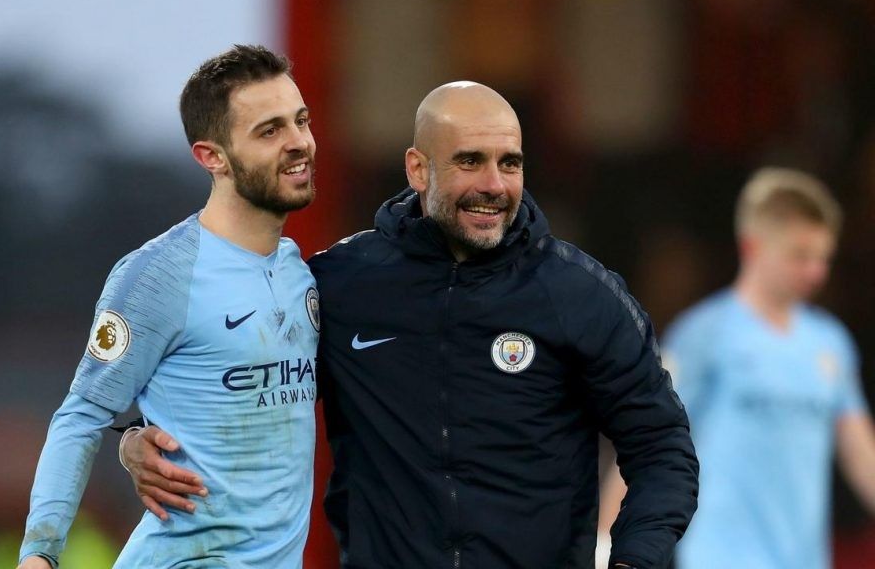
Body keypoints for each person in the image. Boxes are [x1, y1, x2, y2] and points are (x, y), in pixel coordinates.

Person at [124, 81, 699, 568]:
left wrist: (634, 558)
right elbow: (233, 375)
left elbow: (662, 445)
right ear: (418, 169)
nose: (494, 185)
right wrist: (134, 437)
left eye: (510, 163)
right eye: (470, 161)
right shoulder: (338, 285)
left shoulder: (581, 294)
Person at [17, 44, 321, 569]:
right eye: (269, 131)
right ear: (212, 157)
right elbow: (82, 414)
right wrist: (39, 554)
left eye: (301, 120)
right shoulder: (158, 275)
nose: (299, 143)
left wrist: (133, 437)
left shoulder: (300, 274)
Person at [601, 168, 875, 569]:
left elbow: (859, 451)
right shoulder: (705, 334)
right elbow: (648, 436)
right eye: (801, 256)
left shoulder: (831, 342)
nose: (816, 271)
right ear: (753, 247)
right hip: (722, 556)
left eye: (823, 257)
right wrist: (605, 541)